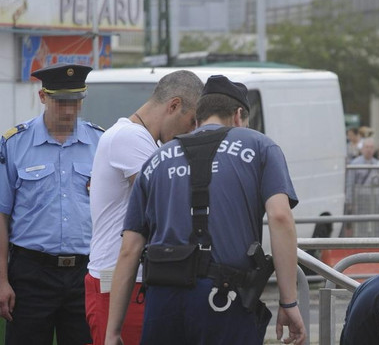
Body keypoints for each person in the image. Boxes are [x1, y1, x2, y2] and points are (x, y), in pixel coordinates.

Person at [104, 75, 305, 345]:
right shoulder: (259, 146)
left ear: (197, 117)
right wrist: (289, 301)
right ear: (237, 116)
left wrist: (112, 331)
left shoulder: (155, 160)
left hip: (163, 301)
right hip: (224, 300)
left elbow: (129, 249)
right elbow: (280, 217)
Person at [86, 70, 204, 345]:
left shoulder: (138, 139)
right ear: (173, 105)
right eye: (190, 121)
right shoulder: (131, 138)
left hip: (129, 280)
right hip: (120, 282)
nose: (191, 131)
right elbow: (169, 201)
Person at [0, 63, 104, 344]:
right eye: (60, 102)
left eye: (75, 101)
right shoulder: (13, 144)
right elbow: (2, 216)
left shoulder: (100, 143)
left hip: (85, 273)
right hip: (31, 274)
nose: (69, 110)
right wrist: (2, 280)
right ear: (43, 96)